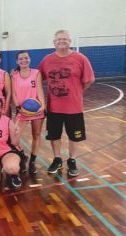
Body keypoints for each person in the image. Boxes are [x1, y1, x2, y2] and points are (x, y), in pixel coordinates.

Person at [38, 30, 95, 176]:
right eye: (58, 39)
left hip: (74, 107)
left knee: (74, 136)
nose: (61, 41)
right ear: (54, 42)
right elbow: (37, 76)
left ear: (70, 41)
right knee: (54, 135)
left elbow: (89, 79)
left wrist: (78, 91)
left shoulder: (80, 58)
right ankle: (57, 159)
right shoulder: (47, 59)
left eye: (64, 39)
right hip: (54, 107)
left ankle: (72, 160)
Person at [11, 51, 46, 174]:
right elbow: (14, 93)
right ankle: (22, 156)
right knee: (14, 137)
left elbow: (40, 90)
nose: (23, 60)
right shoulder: (14, 75)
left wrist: (42, 105)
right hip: (22, 111)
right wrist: (18, 107)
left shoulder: (36, 73)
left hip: (37, 110)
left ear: (29, 59)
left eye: (26, 58)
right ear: (17, 61)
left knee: (36, 135)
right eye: (21, 59)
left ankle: (32, 161)